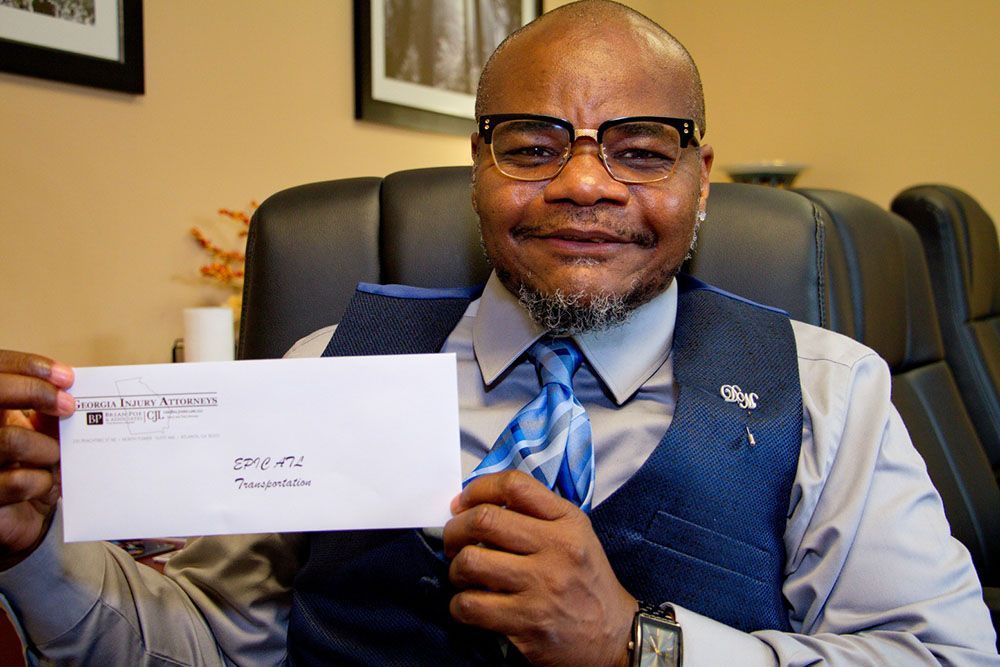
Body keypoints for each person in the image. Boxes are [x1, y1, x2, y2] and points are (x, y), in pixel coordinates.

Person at [0, 1, 997, 664]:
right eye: (531, 145)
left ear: (701, 182)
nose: (584, 182)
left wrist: (639, 646)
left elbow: (942, 656)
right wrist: (35, 548)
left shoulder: (827, 392)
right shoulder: (327, 369)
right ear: (477, 169)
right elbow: (203, 643)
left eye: (642, 149)